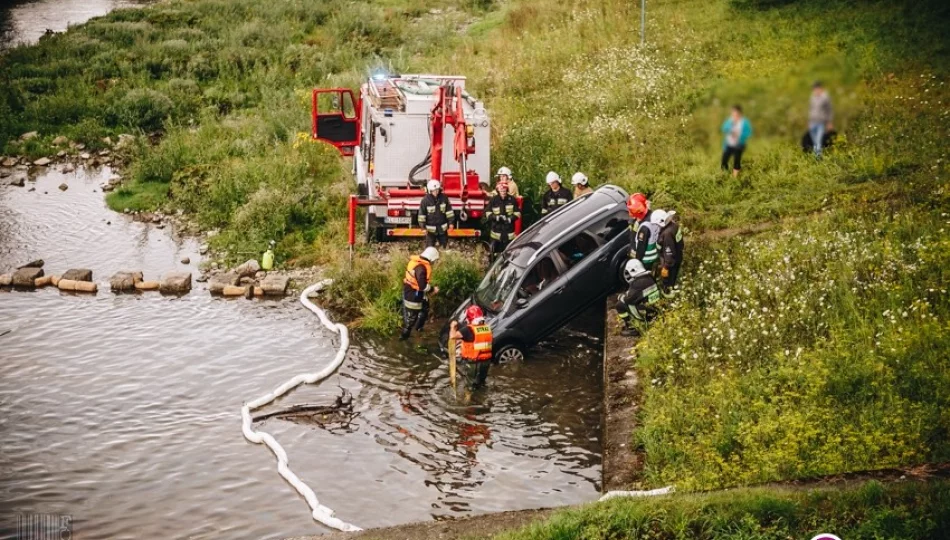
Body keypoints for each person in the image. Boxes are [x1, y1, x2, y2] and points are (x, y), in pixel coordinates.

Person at [449, 305, 493, 390]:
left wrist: (452, 327)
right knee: (481, 383)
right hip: (486, 362)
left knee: (470, 386)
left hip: (474, 363)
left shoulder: (468, 329)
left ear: (469, 318)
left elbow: (452, 336)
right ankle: (481, 399)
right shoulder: (487, 328)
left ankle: (470, 402)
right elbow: (476, 340)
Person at [401, 247, 440, 340]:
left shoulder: (416, 262)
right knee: (410, 321)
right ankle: (403, 339)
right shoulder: (421, 268)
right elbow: (422, 286)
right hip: (413, 296)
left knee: (425, 308)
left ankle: (419, 328)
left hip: (413, 291)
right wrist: (433, 289)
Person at [615, 259, 661, 337]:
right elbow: (638, 294)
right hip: (656, 309)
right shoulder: (649, 277)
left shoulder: (637, 283)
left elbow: (628, 299)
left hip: (646, 313)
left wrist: (620, 297)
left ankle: (632, 328)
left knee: (619, 305)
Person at [651, 209, 684, 297]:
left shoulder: (667, 234)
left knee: (669, 281)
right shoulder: (673, 225)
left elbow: (669, 253)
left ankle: (669, 296)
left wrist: (665, 267)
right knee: (673, 277)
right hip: (677, 256)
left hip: (670, 262)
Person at [486, 179, 520, 261]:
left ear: (507, 189)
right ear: (498, 190)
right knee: (493, 254)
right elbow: (487, 213)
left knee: (509, 255)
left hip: (508, 234)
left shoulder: (512, 200)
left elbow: (517, 213)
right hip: (496, 234)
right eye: (501, 189)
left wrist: (509, 219)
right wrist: (496, 217)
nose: (503, 191)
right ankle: (494, 269)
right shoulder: (493, 200)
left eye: (505, 189)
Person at [626, 193, 659, 270]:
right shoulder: (652, 215)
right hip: (653, 253)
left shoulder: (644, 227)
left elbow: (641, 247)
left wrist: (637, 260)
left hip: (646, 259)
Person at [418, 179, 454, 248]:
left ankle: (445, 258)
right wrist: (423, 227)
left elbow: (449, 212)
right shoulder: (425, 200)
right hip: (430, 231)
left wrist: (451, 223)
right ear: (429, 190)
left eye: (437, 190)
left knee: (445, 247)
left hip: (442, 230)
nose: (436, 192)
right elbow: (421, 215)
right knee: (429, 249)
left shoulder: (444, 198)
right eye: (434, 191)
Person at [720, 105, 752, 178]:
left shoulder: (744, 122)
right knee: (724, 161)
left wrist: (740, 135)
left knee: (736, 161)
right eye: (733, 113)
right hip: (729, 144)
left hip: (739, 144)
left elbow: (749, 133)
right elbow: (723, 128)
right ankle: (725, 175)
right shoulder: (729, 120)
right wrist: (730, 129)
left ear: (740, 113)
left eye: (736, 113)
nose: (734, 115)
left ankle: (734, 178)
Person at [808, 81, 833, 159]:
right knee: (814, 142)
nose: (815, 90)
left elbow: (829, 110)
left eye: (817, 88)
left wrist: (829, 122)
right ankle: (816, 158)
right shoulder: (812, 97)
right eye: (814, 89)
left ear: (820, 88)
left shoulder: (825, 97)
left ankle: (818, 159)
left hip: (820, 123)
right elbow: (811, 109)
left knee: (819, 141)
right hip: (812, 122)